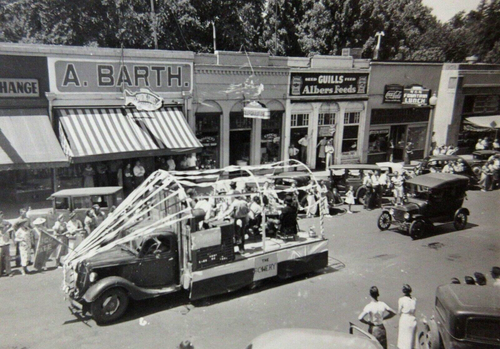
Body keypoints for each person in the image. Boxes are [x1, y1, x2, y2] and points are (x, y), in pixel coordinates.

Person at [397, 284, 417, 349]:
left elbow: (399, 312)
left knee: (403, 340)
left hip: (405, 319)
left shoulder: (401, 300)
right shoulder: (414, 300)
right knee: (411, 339)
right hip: (413, 319)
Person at [0, 211, 13, 277]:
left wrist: (7, 227)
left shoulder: (5, 222)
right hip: (0, 243)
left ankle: (9, 271)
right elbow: (2, 231)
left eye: (2, 215)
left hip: (6, 242)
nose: (1, 217)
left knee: (7, 258)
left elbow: (10, 224)